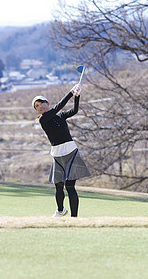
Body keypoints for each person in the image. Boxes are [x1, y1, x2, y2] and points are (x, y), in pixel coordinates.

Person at [32, 84, 90, 218]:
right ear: (37, 111)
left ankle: (74, 218)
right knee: (58, 186)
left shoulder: (60, 116)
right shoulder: (43, 119)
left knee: (70, 186)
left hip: (71, 153)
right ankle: (60, 210)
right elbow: (58, 107)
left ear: (47, 103)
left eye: (42, 103)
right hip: (57, 155)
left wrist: (77, 96)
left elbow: (74, 111)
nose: (41, 107)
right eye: (37, 106)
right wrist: (70, 92)